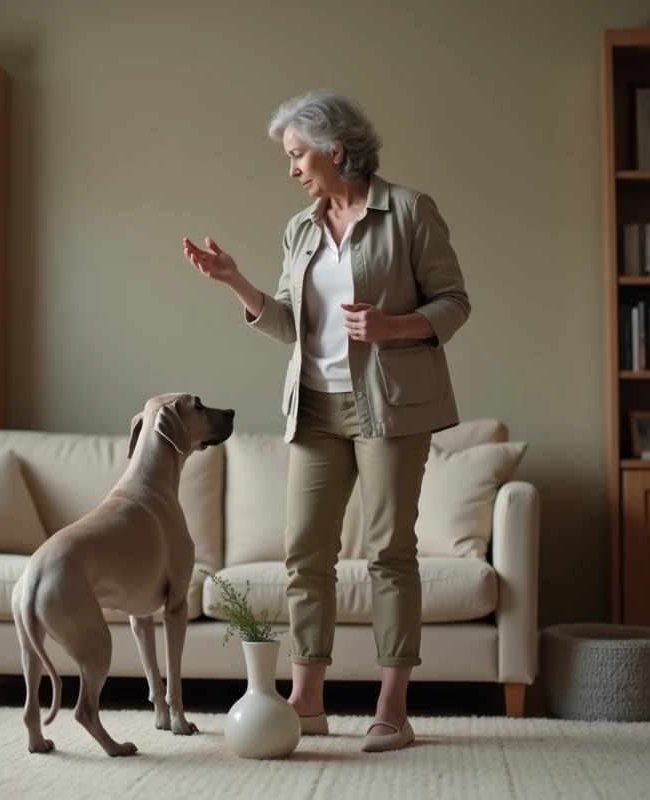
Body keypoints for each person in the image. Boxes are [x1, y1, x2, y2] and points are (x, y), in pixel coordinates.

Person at [182, 89, 470, 753]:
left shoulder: (410, 211)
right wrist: (235, 281)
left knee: (389, 554)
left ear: (336, 149)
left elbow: (455, 303)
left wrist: (395, 325)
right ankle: (305, 702)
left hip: (394, 407)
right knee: (305, 554)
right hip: (314, 405)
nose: (291, 169)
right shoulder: (300, 228)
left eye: (297, 154)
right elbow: (290, 324)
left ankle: (392, 710)